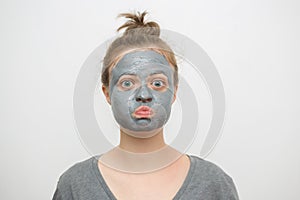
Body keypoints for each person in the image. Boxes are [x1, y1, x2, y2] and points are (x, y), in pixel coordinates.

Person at [52, 11, 239, 200]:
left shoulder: (214, 184)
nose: (143, 95)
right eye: (127, 83)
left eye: (157, 83)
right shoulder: (74, 185)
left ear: (174, 92)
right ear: (107, 93)